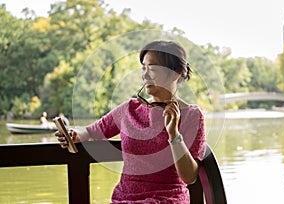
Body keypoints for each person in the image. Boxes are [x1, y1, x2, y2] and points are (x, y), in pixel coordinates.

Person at [55, 40, 206, 203]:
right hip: (124, 199)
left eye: (153, 68)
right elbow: (92, 131)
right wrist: (75, 134)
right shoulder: (129, 109)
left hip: (168, 199)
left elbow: (190, 177)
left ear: (175, 73)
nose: (145, 75)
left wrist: (173, 134)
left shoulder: (192, 116)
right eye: (143, 68)